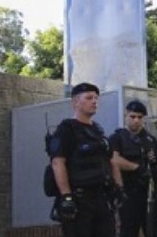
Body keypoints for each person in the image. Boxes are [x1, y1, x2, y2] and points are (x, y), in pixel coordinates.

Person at [48, 83, 124, 237]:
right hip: (79, 199)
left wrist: (119, 188)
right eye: (89, 98)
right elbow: (58, 163)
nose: (95, 101)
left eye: (96, 98)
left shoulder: (98, 131)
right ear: (75, 102)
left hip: (102, 198)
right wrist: (66, 197)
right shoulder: (66, 129)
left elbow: (112, 161)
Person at [110, 100, 157, 237]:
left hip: (150, 191)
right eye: (132, 116)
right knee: (129, 230)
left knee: (156, 230)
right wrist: (137, 168)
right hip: (129, 191)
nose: (136, 120)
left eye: (140, 117)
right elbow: (114, 160)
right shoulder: (117, 138)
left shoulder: (151, 140)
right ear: (126, 116)